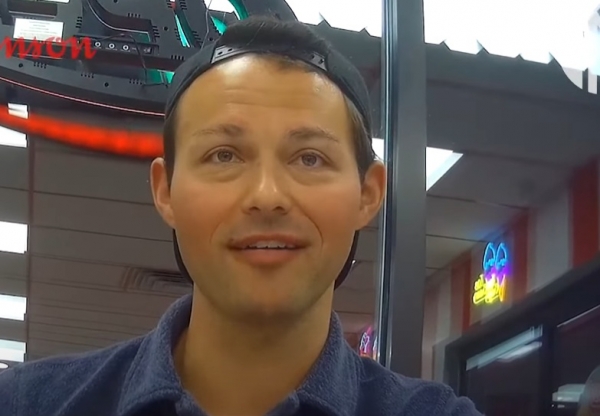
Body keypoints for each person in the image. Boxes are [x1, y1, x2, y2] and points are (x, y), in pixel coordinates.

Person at [0, 16, 482, 416]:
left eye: (309, 158)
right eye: (224, 155)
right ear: (165, 191)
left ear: (367, 194)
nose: (266, 196)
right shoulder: (30, 403)